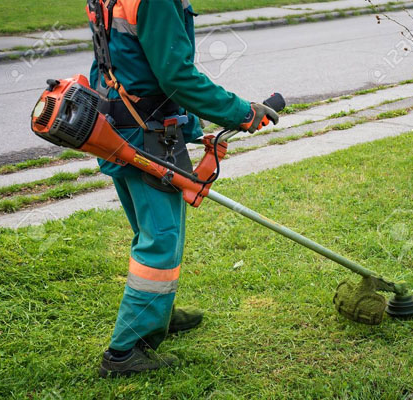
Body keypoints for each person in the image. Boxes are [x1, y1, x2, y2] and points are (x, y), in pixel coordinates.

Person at [86, 0, 279, 378]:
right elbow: (177, 76)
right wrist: (242, 112)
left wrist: (187, 125)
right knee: (160, 239)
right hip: (146, 136)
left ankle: (158, 314)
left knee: (147, 230)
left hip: (117, 127)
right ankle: (126, 352)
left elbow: (112, 64)